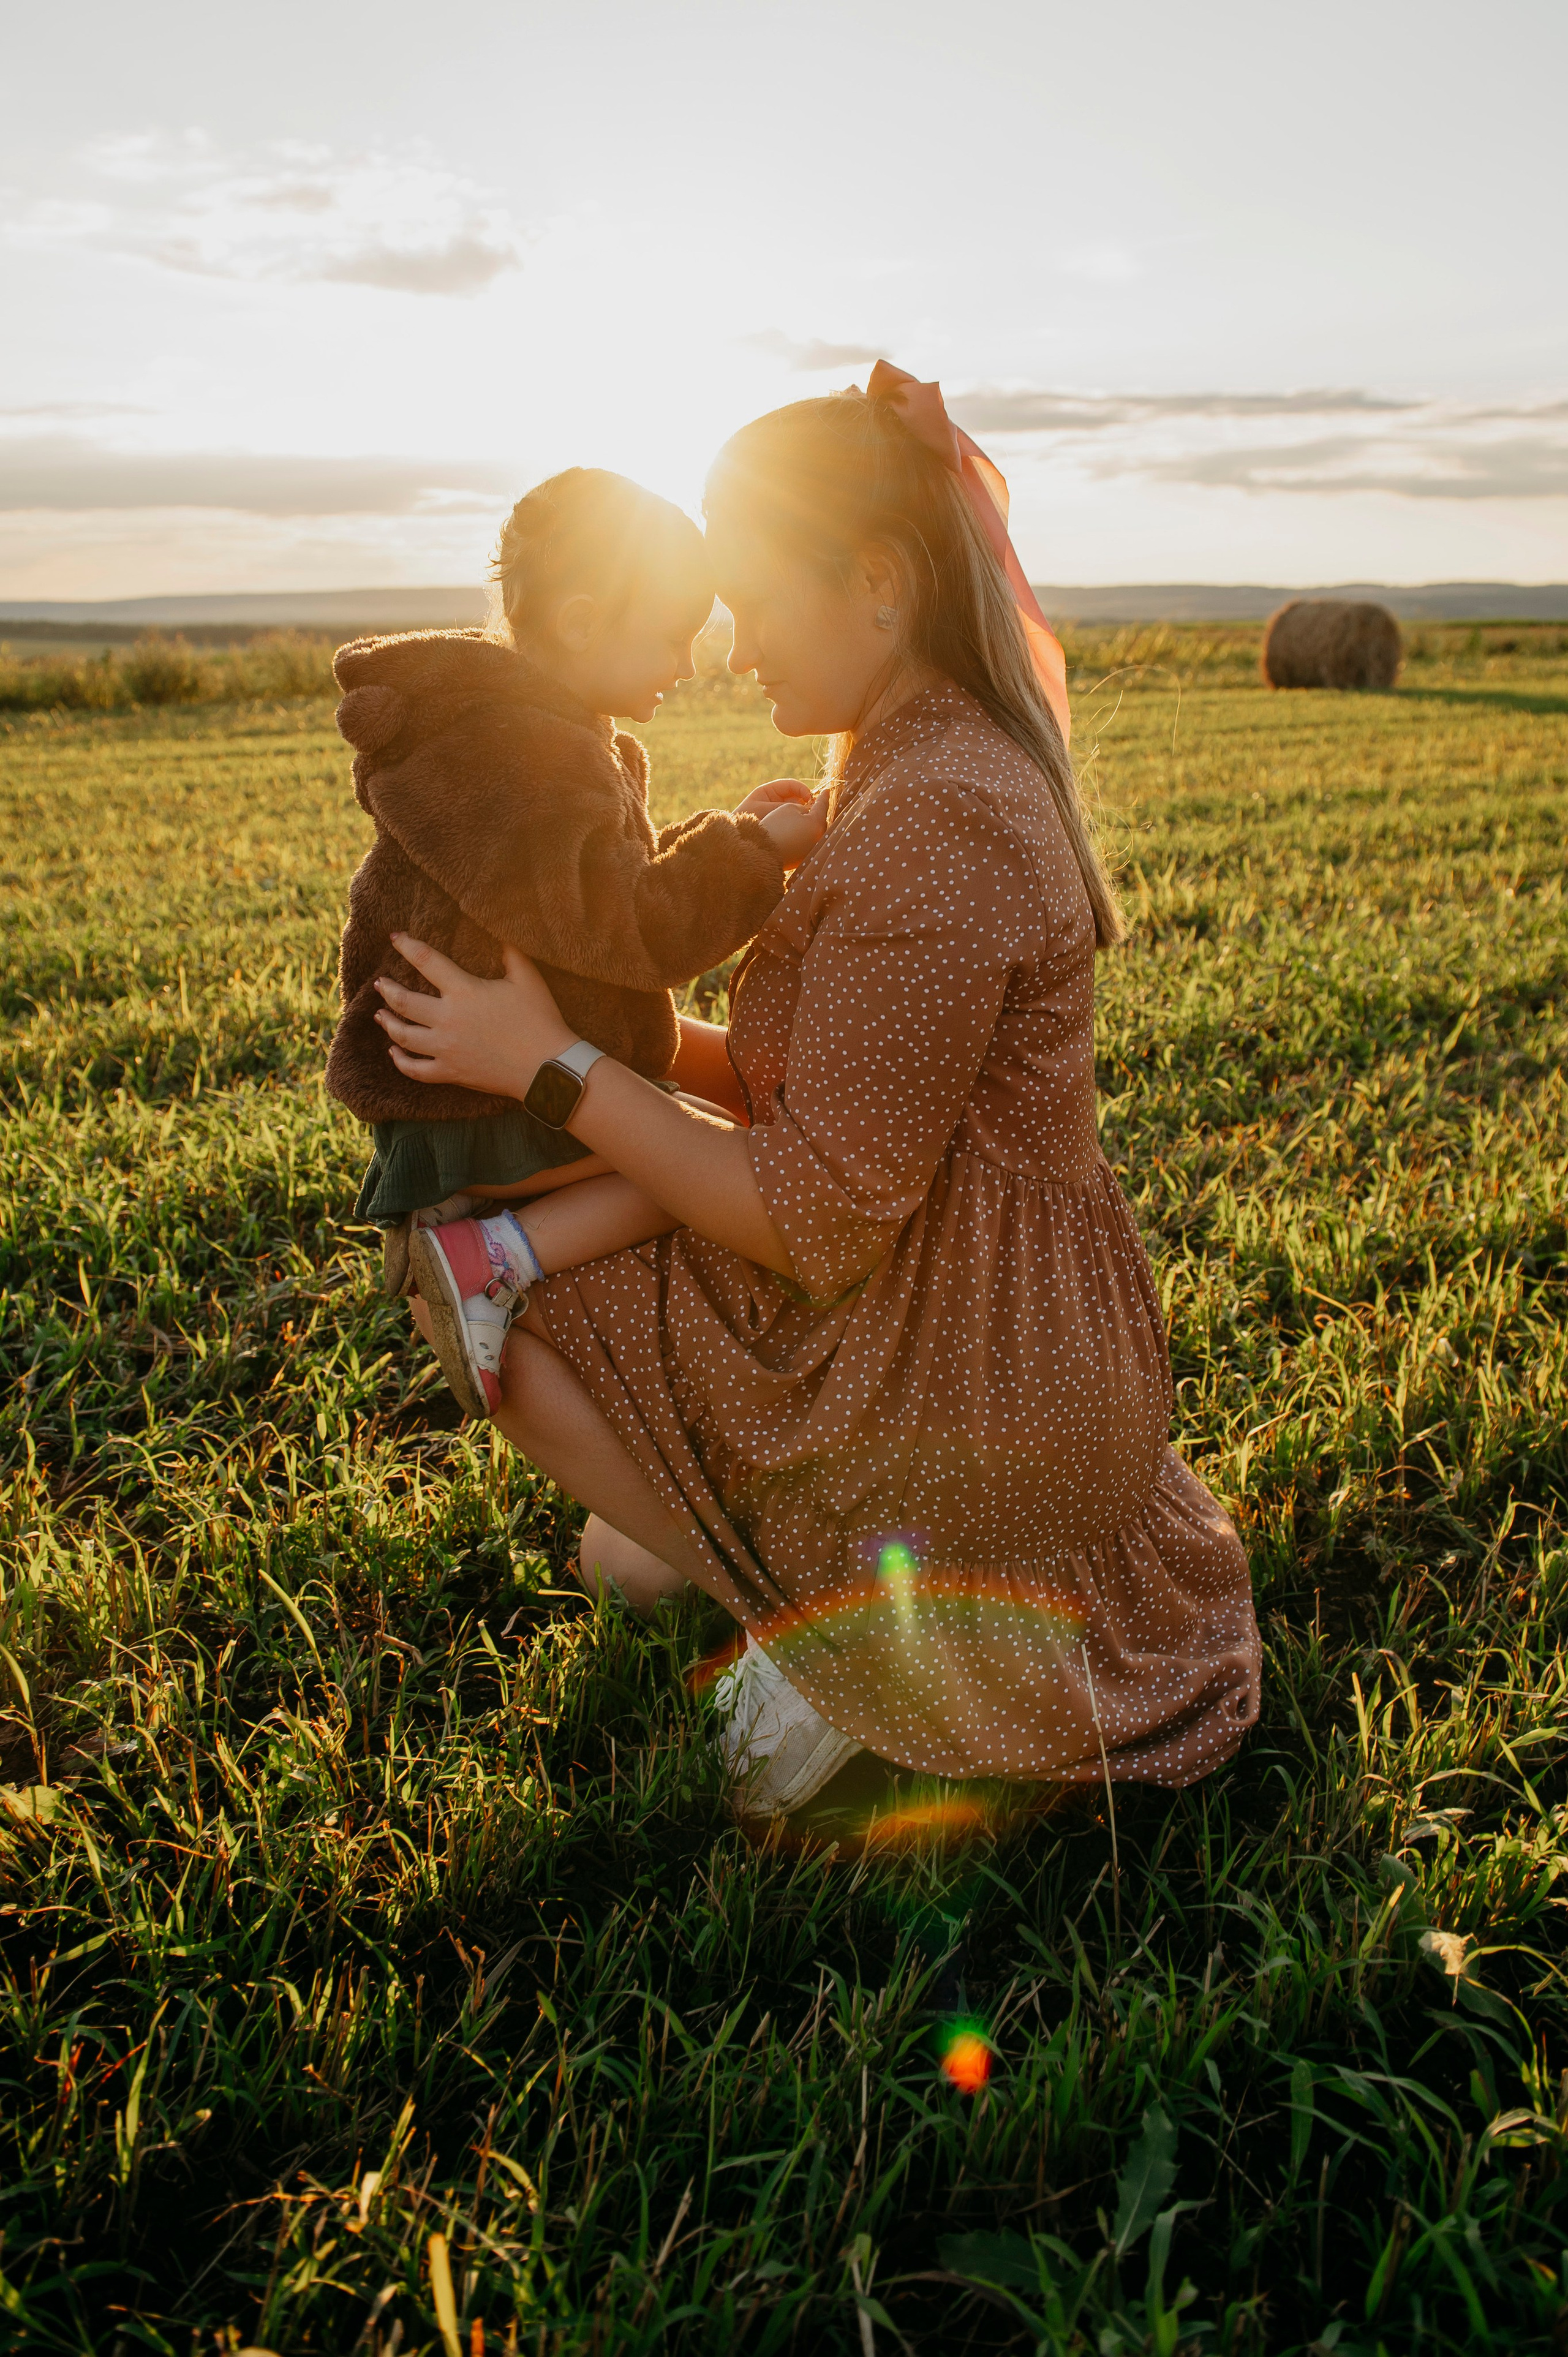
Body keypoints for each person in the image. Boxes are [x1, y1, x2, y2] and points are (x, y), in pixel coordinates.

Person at [371, 369, 1262, 1817]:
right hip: (953, 1300)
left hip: (960, 1360)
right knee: (624, 1554)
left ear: (877, 584)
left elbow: (805, 1217)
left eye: (753, 602)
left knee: (468, 1283)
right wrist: (584, 1040)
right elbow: (811, 1080)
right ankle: (780, 1575)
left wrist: (542, 1063)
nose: (729, 655)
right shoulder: (903, 764)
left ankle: (821, 1639)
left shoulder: (936, 818)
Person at [325, 466, 824, 1412]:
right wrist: (752, 855)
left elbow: (579, 894)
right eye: (673, 637)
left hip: (477, 1087)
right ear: (587, 619)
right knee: (714, 1164)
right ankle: (486, 1258)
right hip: (471, 1109)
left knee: (710, 1149)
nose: (688, 664)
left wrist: (724, 835)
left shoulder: (530, 731)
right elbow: (624, 925)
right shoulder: (518, 746)